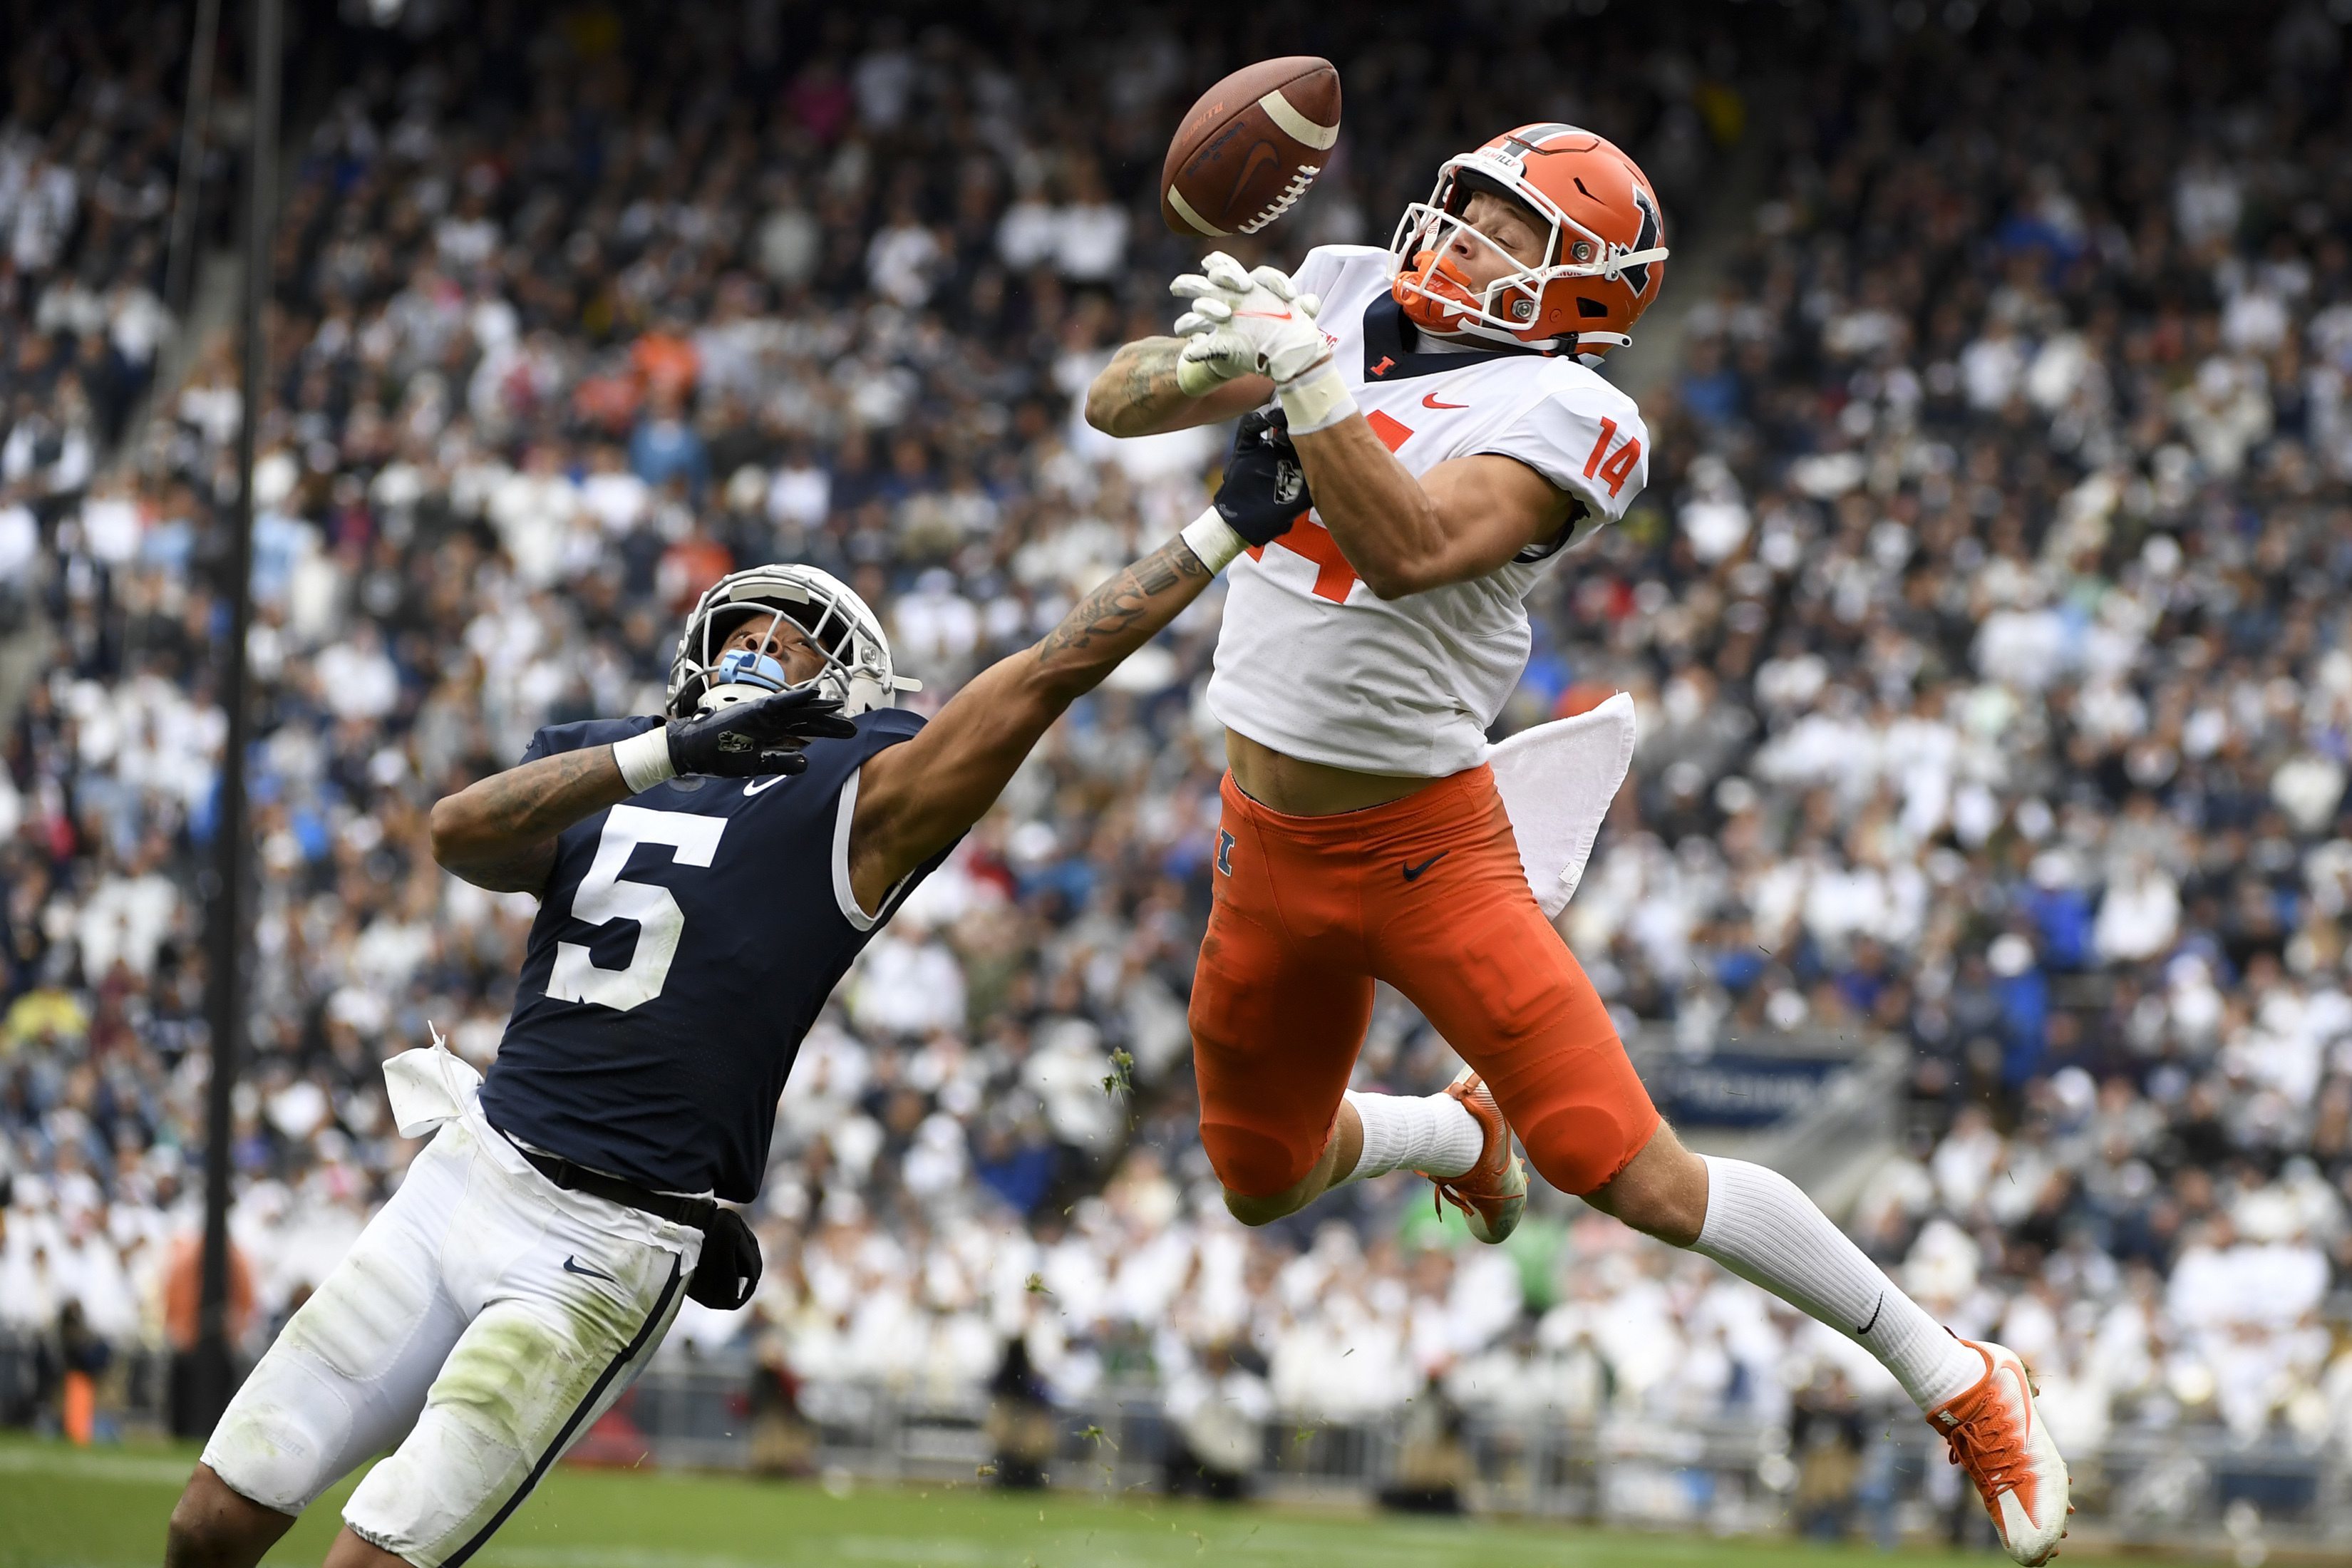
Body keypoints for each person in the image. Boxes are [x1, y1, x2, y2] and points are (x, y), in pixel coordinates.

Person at [1085, 121, 2068, 1565]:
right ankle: (1447, 1126)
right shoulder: (1351, 290)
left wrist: (1306, 375)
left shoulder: (1572, 415)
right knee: (1258, 1173)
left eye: (1512, 232)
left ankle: (1961, 1374)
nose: (1466, 237)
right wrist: (1216, 351)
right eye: (1468, 205)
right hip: (1266, 843)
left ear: (1583, 297)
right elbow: (1121, 401)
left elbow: (1415, 542)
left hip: (1427, 847)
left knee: (1632, 1169)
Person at [159, 430, 1308, 1568]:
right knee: (210, 1522)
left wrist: (1214, 532)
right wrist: (672, 750)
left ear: (847, 689)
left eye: (794, 644)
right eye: (742, 631)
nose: (759, 649)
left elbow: (1053, 666)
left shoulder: (855, 800)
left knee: (374, 1563)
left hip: (604, 1247)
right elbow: (457, 832)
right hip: (465, 1176)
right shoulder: (609, 756)